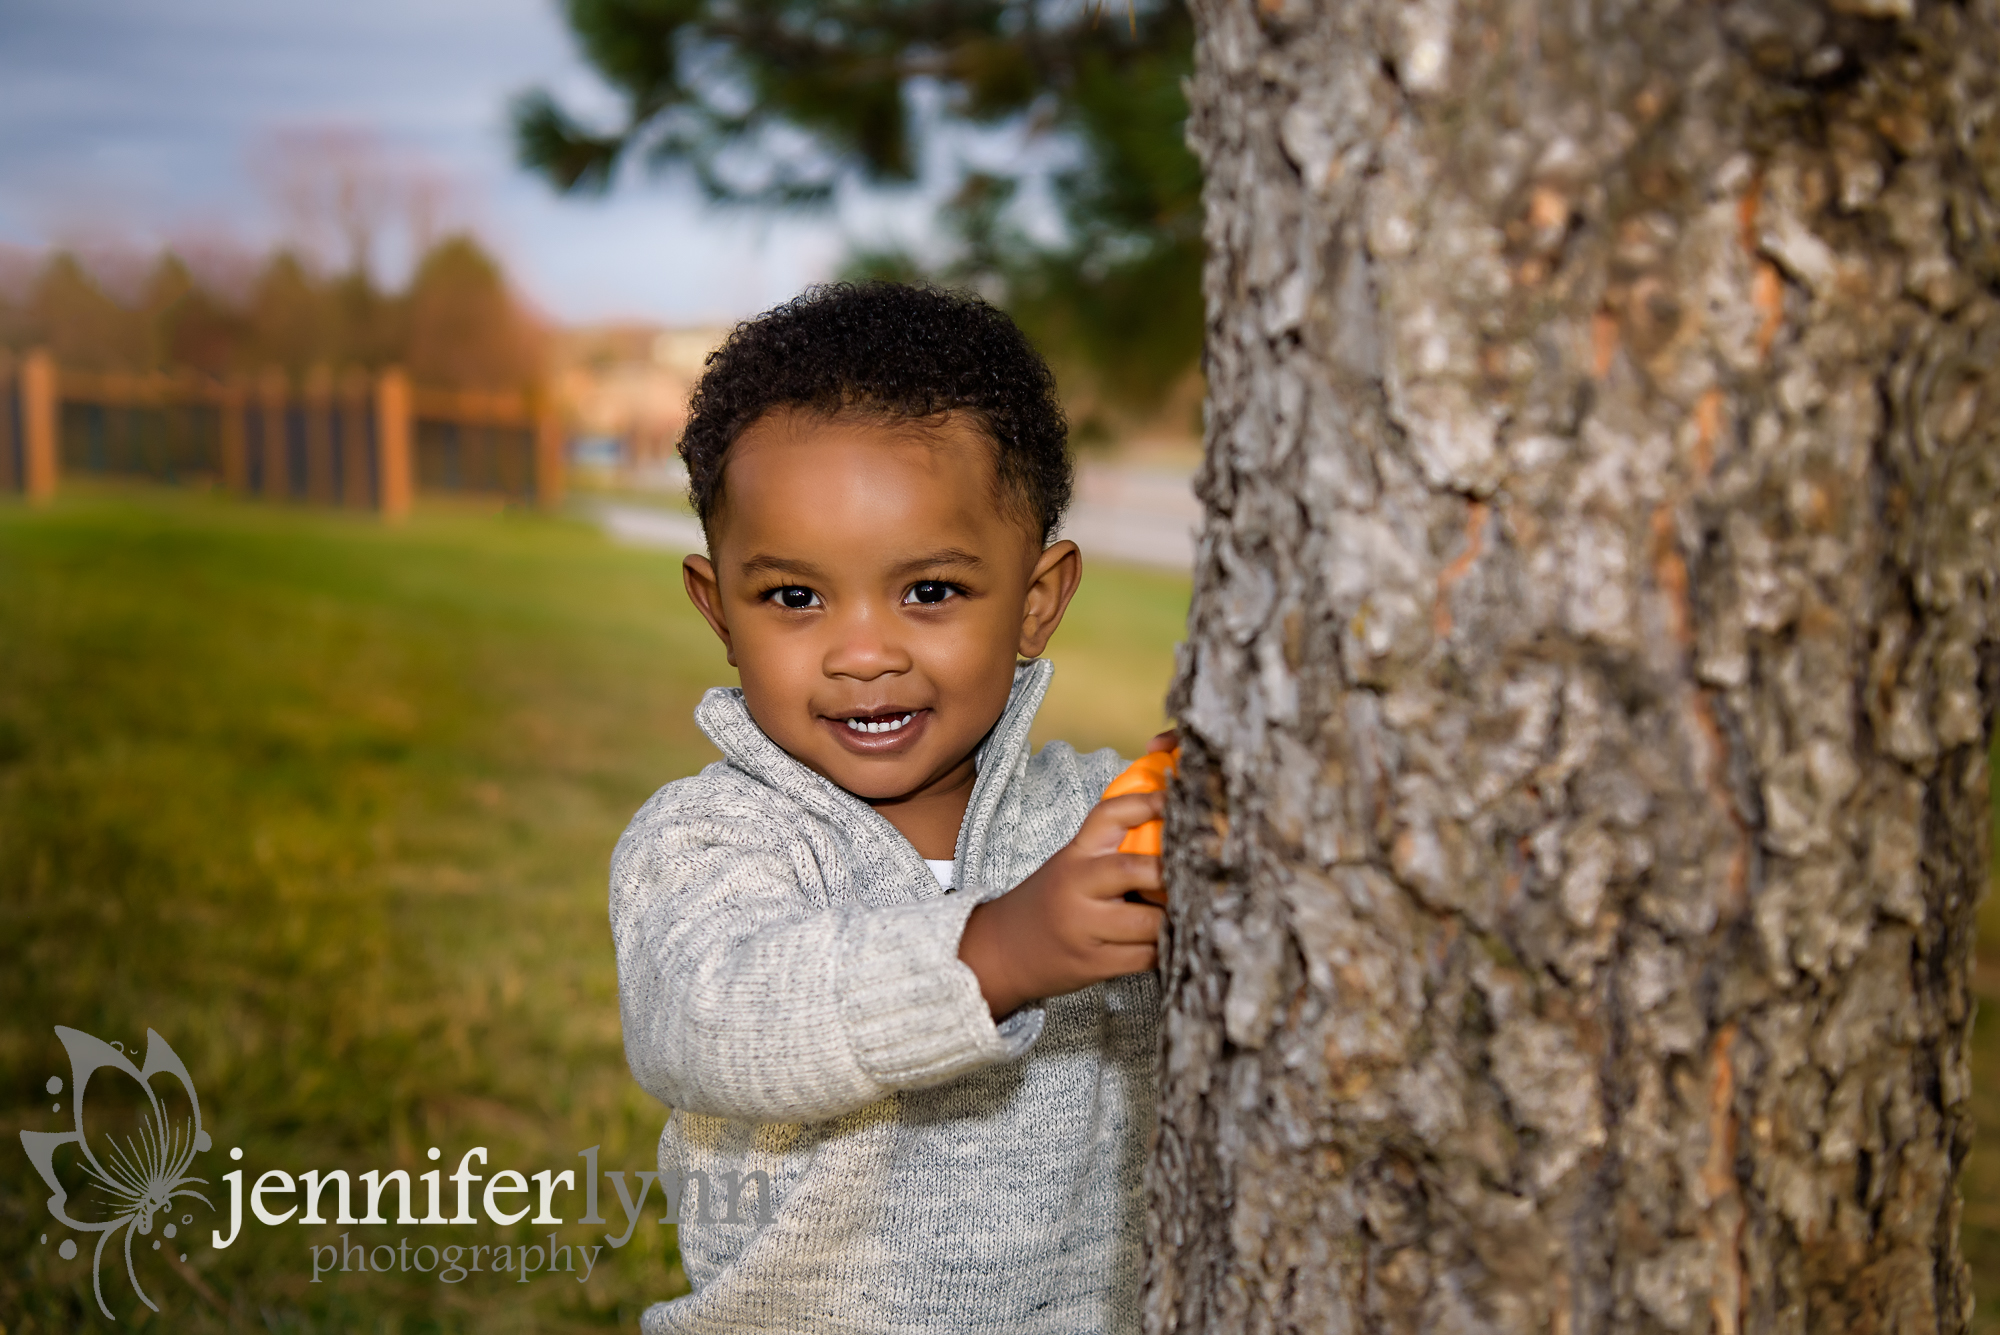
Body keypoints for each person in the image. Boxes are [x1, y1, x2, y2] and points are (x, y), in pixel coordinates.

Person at [609, 280, 1170, 1334]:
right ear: (716, 606)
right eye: (793, 597)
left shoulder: (1098, 820)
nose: (863, 653)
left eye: (929, 592)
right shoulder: (708, 841)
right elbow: (710, 1018)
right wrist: (994, 951)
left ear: (1036, 600)